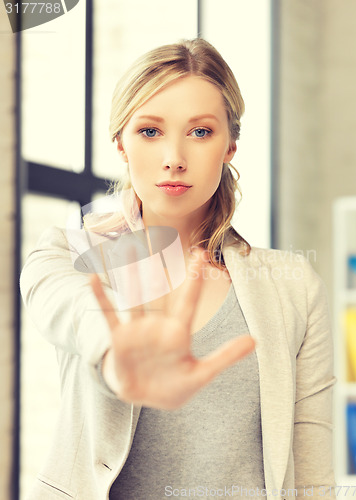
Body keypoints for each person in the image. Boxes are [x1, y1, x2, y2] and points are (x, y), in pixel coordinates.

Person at [20, 38, 336, 500]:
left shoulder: (294, 287)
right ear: (120, 144)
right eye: (150, 131)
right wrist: (116, 348)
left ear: (230, 146)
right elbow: (66, 306)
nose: (174, 157)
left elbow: (311, 474)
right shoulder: (72, 254)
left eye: (201, 132)